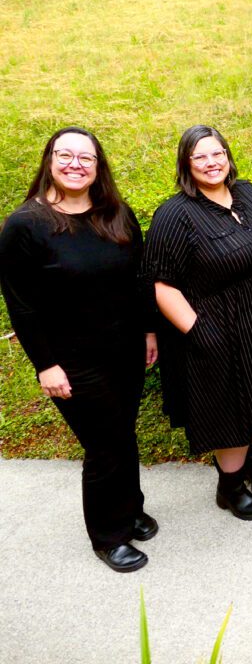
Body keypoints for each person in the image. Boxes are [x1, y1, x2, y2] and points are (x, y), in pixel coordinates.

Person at [0, 127, 159, 573]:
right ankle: (109, 536)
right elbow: (21, 304)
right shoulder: (25, 225)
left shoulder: (116, 213)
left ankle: (130, 508)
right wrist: (45, 365)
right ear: (49, 160)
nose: (75, 164)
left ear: (97, 165)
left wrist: (149, 331)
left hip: (125, 348)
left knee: (122, 433)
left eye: (86, 157)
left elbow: (140, 278)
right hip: (72, 360)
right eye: (65, 155)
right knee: (105, 444)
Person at [144, 125, 252, 521]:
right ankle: (229, 487)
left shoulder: (249, 193)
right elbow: (161, 285)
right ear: (185, 164)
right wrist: (201, 333)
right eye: (199, 156)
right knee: (231, 411)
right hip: (216, 331)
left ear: (228, 156)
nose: (211, 162)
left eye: (217, 153)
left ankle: (250, 462)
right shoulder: (175, 214)